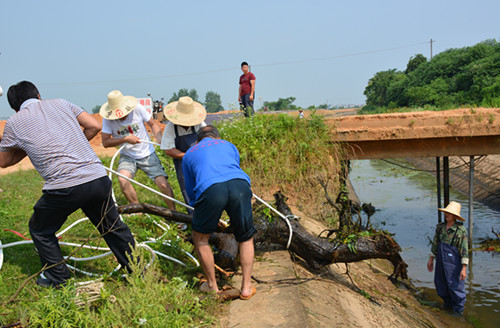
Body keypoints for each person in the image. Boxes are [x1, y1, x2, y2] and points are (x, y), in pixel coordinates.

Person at [0, 81, 136, 287]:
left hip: (64, 187)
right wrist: (71, 144)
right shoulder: (62, 103)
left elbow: (3, 161)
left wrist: (28, 145)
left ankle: (58, 278)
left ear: (14, 107)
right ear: (38, 94)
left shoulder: (14, 122)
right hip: (97, 179)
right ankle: (138, 270)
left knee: (40, 229)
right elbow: (94, 126)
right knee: (112, 226)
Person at [182, 125, 257, 299]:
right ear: (216, 137)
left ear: (198, 140)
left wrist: (204, 211)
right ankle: (246, 288)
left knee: (200, 238)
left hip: (210, 189)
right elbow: (233, 169)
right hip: (240, 185)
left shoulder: (190, 153)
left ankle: (212, 287)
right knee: (245, 237)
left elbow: (191, 191)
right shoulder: (228, 144)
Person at [101, 90, 176, 210]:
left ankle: (173, 213)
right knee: (122, 179)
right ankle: (136, 208)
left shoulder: (137, 109)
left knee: (162, 183)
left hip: (147, 153)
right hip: (127, 155)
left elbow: (153, 123)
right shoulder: (108, 119)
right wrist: (125, 139)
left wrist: (159, 138)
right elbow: (105, 142)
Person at [161, 96, 207, 213]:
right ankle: (194, 216)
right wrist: (186, 155)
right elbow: (168, 149)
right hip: (182, 162)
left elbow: (210, 139)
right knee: (187, 188)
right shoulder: (171, 127)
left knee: (205, 184)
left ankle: (210, 213)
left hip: (201, 159)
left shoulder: (199, 123)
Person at [427, 201, 469, 316]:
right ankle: (447, 306)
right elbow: (435, 243)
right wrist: (431, 259)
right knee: (440, 283)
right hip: (441, 260)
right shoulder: (440, 227)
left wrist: (464, 268)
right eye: (446, 213)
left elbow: (464, 250)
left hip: (454, 263)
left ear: (455, 216)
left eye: (449, 213)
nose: (447, 215)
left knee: (454, 286)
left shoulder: (460, 231)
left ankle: (458, 312)